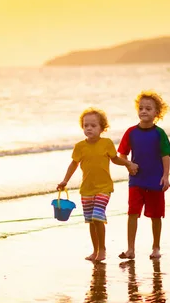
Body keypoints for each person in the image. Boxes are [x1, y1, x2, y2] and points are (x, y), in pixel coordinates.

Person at [57, 107, 138, 262]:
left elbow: (115, 159)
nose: (89, 128)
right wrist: (65, 181)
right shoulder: (80, 146)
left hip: (104, 188)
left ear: (102, 128)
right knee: (91, 221)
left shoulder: (106, 143)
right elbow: (73, 164)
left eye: (93, 126)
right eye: (86, 125)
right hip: (86, 189)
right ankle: (95, 250)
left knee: (97, 217)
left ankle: (102, 250)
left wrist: (128, 163)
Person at [117, 90, 170, 260]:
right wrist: (128, 165)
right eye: (141, 108)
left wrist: (165, 176)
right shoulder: (131, 132)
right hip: (136, 180)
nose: (143, 111)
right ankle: (130, 249)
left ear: (157, 112)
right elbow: (122, 154)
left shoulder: (159, 133)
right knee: (132, 213)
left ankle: (156, 248)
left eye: (148, 108)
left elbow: (165, 155)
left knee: (156, 216)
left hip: (155, 181)